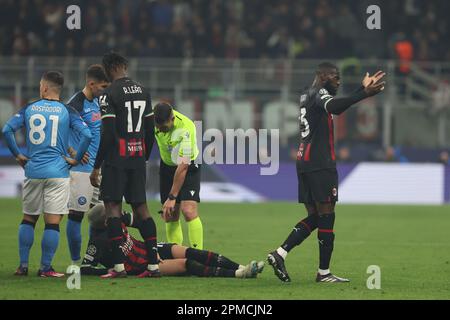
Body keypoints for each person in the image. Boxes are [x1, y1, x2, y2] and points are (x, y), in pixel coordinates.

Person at [267, 62, 386, 283]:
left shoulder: (306, 93)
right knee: (327, 215)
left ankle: (280, 253)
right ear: (323, 76)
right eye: (335, 77)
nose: (338, 81)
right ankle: (323, 273)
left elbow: (333, 106)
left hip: (304, 160)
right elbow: (336, 108)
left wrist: (361, 90)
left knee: (316, 216)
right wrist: (364, 94)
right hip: (320, 163)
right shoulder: (319, 93)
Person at [2, 71, 92, 277]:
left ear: (44, 88)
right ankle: (45, 268)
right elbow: (86, 134)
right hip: (58, 172)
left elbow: (7, 130)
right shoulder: (66, 110)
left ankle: (22, 266)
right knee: (52, 222)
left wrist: (18, 155)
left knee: (28, 219)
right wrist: (76, 158)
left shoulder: (29, 108)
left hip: (33, 171)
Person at [90, 52, 159, 279]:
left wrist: (97, 165)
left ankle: (119, 268)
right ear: (124, 66)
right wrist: (144, 157)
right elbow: (150, 131)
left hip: (116, 160)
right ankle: (153, 267)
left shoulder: (108, 94)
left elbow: (108, 133)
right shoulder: (143, 91)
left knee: (112, 209)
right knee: (142, 209)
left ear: (108, 68)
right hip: (137, 158)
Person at [81, 204, 264, 279]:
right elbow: (85, 268)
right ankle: (239, 274)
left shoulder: (118, 218)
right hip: (140, 265)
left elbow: (144, 226)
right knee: (187, 264)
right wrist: (110, 270)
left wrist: (153, 250)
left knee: (190, 251)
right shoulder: (98, 241)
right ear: (106, 222)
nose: (118, 211)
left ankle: (242, 266)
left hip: (147, 250)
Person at [66, 64, 109, 266]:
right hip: (81, 171)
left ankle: (91, 260)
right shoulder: (76, 103)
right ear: (91, 84)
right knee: (76, 216)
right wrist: (73, 151)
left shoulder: (101, 102)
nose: (105, 90)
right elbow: (59, 130)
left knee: (99, 217)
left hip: (99, 168)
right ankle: (75, 262)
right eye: (102, 86)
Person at [153, 102, 203, 249]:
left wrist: (172, 197)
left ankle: (198, 255)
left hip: (188, 166)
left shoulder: (186, 129)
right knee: (170, 214)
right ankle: (175, 254)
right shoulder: (150, 119)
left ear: (172, 119)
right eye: (158, 128)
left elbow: (183, 166)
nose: (161, 131)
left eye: (164, 128)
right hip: (167, 165)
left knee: (188, 210)